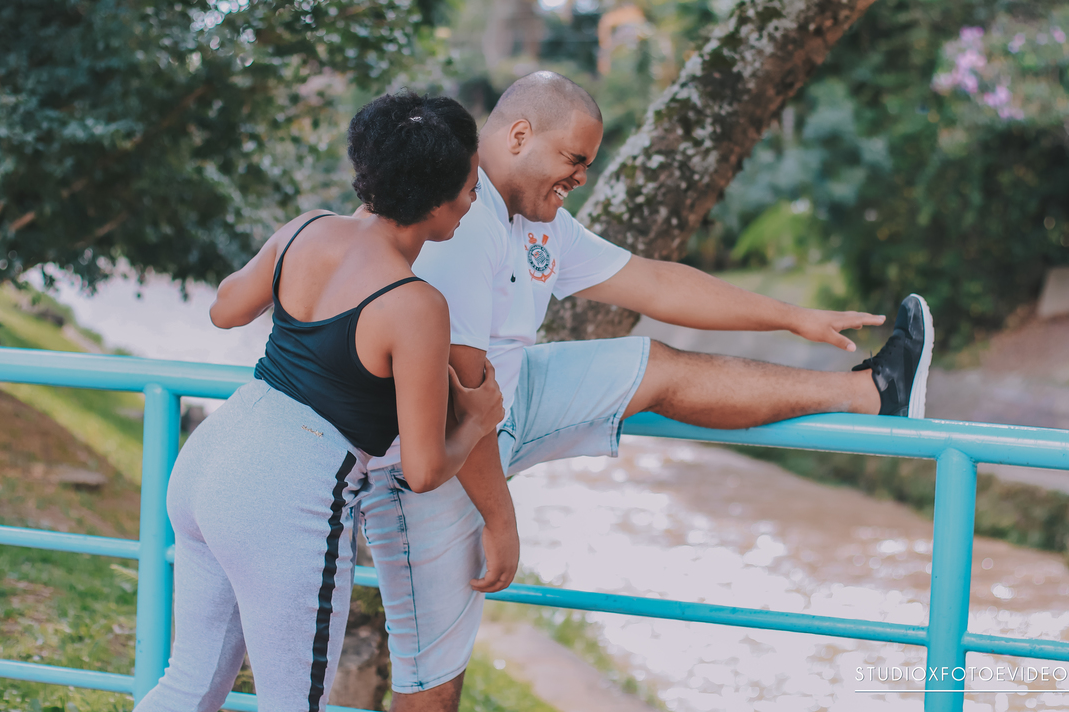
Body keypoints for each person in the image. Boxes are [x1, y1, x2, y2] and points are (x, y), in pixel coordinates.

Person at [357, 71, 934, 711]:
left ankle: (875, 392)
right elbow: (455, 403)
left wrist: (792, 317)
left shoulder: (539, 219)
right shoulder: (459, 221)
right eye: (574, 159)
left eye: (588, 164)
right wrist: (501, 518)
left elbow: (655, 284)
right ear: (519, 135)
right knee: (432, 682)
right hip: (432, 460)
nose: (582, 177)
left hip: (506, 401)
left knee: (658, 366)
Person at [134, 92, 503, 712]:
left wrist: (293, 262)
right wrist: (476, 420)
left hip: (210, 460)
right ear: (435, 199)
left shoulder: (305, 229)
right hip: (283, 496)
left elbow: (225, 309)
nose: (472, 202)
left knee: (189, 683)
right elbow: (422, 469)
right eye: (470, 188)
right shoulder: (416, 305)